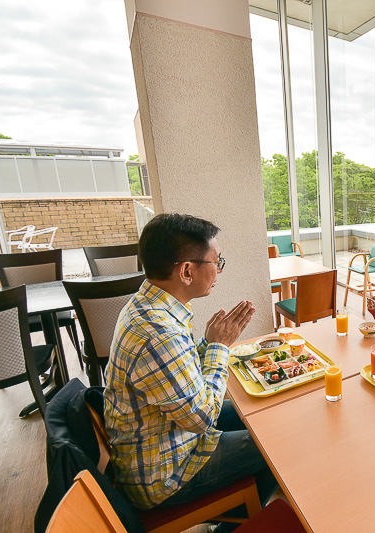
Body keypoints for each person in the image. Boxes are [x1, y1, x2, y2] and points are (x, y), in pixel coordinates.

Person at [103, 213, 277, 521]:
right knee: (276, 443)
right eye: (216, 262)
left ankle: (237, 511)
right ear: (186, 271)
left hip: (165, 438)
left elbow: (176, 372)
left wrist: (207, 343)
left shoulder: (149, 305)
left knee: (260, 413)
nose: (218, 271)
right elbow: (201, 417)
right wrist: (219, 348)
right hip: (165, 473)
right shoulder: (158, 332)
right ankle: (236, 522)